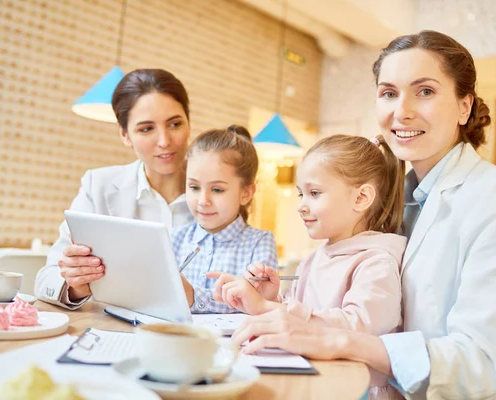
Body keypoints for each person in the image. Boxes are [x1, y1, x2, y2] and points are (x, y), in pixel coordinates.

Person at [230, 30, 496, 400]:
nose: (401, 111)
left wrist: (338, 340)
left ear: (464, 106)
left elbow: (478, 362)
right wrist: (281, 305)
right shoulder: (400, 196)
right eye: (389, 93)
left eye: (425, 91)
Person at [210, 134, 406, 399]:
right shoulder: (314, 258)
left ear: (361, 198)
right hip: (312, 378)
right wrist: (273, 299)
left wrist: (270, 308)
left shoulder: (375, 263)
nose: (301, 206)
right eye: (301, 194)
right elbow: (299, 315)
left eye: (314, 193)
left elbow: (361, 329)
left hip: (357, 390)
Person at [35, 69, 194, 309]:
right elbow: (46, 279)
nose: (164, 141)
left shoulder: (220, 188)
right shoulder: (97, 186)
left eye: (174, 124)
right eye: (146, 129)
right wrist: (76, 285)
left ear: (189, 123)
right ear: (125, 134)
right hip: (115, 330)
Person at [171, 125, 278, 313]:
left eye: (217, 190)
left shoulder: (259, 242)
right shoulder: (173, 238)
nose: (203, 201)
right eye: (194, 187)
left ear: (246, 193)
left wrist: (193, 297)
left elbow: (254, 304)